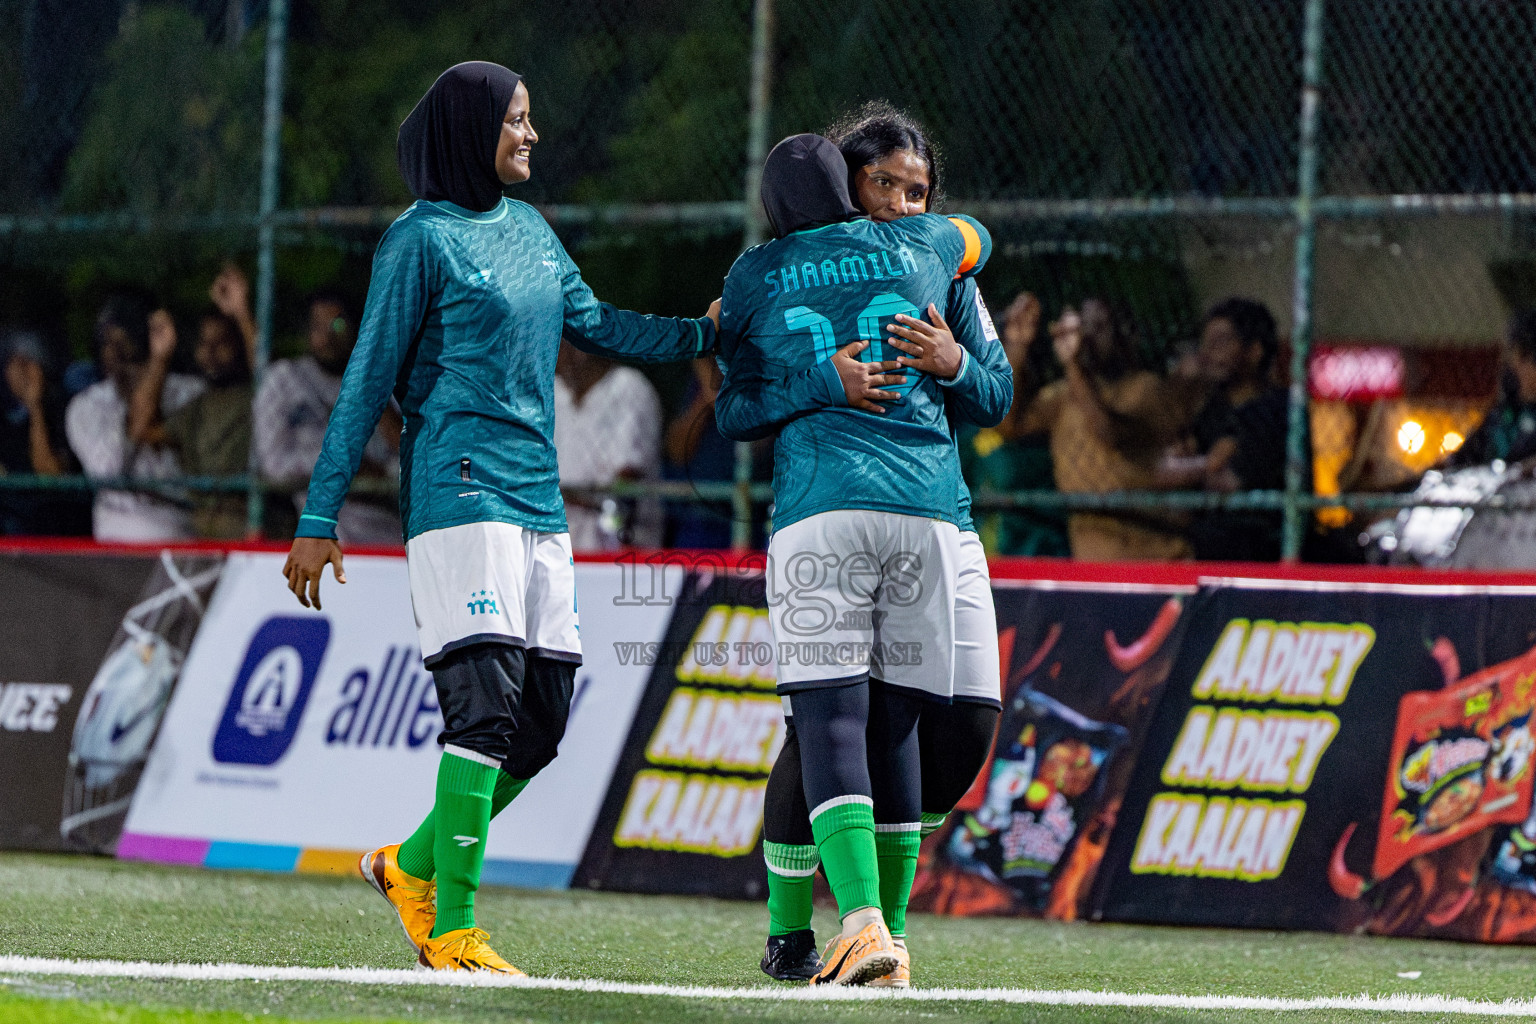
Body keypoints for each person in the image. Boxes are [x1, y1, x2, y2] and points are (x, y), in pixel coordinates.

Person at [279, 63, 715, 976]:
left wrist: (702, 334)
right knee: (482, 713)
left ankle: (408, 866)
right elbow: (365, 379)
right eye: (516, 120)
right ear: (469, 131)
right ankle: (454, 930)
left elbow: (596, 323)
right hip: (458, 490)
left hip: (538, 499)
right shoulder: (418, 240)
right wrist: (319, 513)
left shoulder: (533, 230)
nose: (532, 135)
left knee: (543, 722)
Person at [715, 133, 992, 986]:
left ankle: (868, 927)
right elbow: (973, 233)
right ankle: (853, 933)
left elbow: (734, 411)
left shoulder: (755, 274)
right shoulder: (931, 246)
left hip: (824, 514)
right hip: (920, 510)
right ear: (850, 183)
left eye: (918, 190)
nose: (905, 201)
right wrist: (950, 233)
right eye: (886, 183)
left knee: (832, 721)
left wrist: (942, 363)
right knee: (887, 722)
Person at [999, 295, 1198, 560]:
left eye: (1100, 327)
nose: (1089, 338)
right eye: (1084, 329)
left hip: (1155, 560)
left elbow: (1110, 432)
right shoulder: (1064, 395)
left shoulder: (1146, 388)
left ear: (1124, 335)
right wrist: (1017, 347)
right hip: (1094, 561)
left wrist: (1072, 364)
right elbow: (1007, 425)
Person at [255, 287, 402, 545]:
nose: (327, 337)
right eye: (317, 326)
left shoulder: (384, 384)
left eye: (337, 325)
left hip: (387, 525)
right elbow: (273, 464)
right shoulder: (285, 379)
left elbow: (412, 462)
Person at [66, 291, 205, 542]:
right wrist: (158, 364)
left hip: (185, 537)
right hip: (117, 544)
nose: (115, 353)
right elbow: (109, 470)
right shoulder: (86, 405)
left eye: (125, 340)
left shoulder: (190, 392)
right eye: (107, 342)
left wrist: (158, 364)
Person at [127, 306, 256, 539]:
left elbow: (270, 379)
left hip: (253, 530)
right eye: (204, 344)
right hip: (203, 535)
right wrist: (160, 357)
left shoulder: (259, 399)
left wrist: (241, 312)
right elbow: (142, 429)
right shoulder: (196, 408)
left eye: (222, 343)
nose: (211, 352)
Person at [1183, 297, 1291, 560]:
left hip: (1263, 545)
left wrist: (1196, 470)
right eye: (1205, 344)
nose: (1207, 355)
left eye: (1220, 343)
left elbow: (1227, 482)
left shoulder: (1275, 408)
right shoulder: (1211, 409)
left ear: (1254, 351)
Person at [553, 339, 662, 550]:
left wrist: (552, 493)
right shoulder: (552, 392)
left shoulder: (627, 386)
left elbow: (623, 484)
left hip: (620, 551)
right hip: (561, 549)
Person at [0, 328, 88, 535]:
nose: (9, 373)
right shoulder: (8, 417)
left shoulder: (67, 411)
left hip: (57, 534)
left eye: (18, 364)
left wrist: (35, 406)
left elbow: (49, 475)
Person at [1446, 308, 1536, 469]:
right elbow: (1462, 459)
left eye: (1525, 358)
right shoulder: (1503, 415)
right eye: (1517, 357)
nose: (1515, 366)